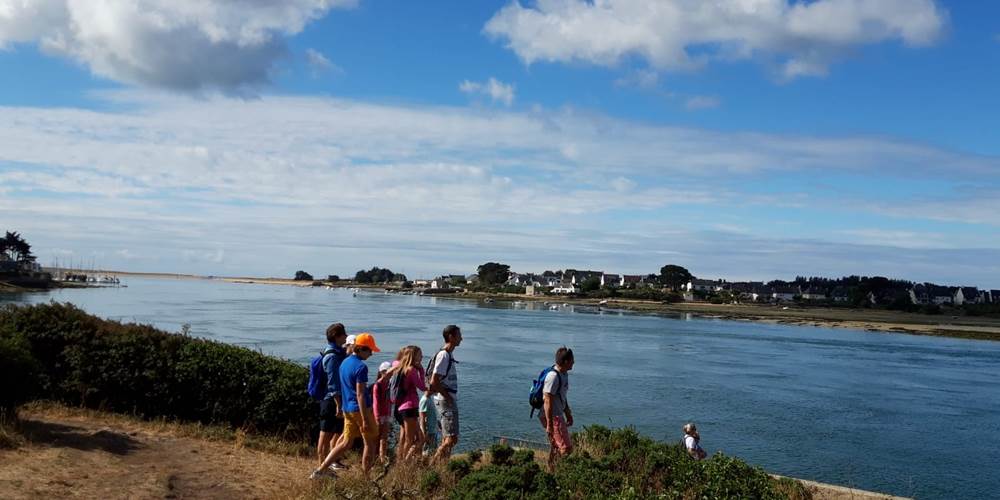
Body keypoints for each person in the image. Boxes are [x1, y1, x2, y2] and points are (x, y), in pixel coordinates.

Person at [312, 333, 382, 479]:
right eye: (370, 351)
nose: (371, 354)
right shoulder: (361, 367)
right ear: (361, 349)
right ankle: (366, 478)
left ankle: (321, 469)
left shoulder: (344, 362)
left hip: (347, 408)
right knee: (370, 442)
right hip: (360, 409)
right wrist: (365, 419)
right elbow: (361, 394)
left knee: (345, 442)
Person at [317, 323, 349, 471]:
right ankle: (321, 465)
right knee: (325, 434)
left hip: (334, 399)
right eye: (344, 334)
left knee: (332, 432)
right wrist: (338, 404)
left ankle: (328, 464)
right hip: (331, 400)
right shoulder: (332, 357)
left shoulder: (337, 353)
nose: (346, 336)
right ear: (337, 336)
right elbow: (333, 383)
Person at [429, 325, 462, 462]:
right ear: (451, 337)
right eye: (459, 335)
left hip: (444, 399)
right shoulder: (444, 355)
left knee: (446, 435)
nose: (462, 338)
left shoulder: (448, 354)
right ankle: (433, 463)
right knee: (452, 438)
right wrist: (448, 397)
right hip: (445, 400)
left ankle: (443, 464)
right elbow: (434, 381)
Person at [539, 346, 574, 469]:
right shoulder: (553, 377)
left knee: (556, 446)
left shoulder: (563, 374)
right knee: (566, 449)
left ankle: (551, 472)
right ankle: (560, 473)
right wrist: (549, 424)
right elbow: (547, 400)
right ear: (565, 362)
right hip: (553, 417)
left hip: (557, 415)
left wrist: (568, 413)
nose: (574, 362)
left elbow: (561, 396)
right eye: (572, 360)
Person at [391, 345, 427, 461]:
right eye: (420, 354)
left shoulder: (400, 367)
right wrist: (421, 370)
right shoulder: (411, 370)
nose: (421, 357)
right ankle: (403, 464)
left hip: (401, 407)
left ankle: (403, 460)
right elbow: (422, 387)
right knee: (411, 439)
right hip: (409, 407)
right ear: (414, 356)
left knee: (417, 438)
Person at [371, 361, 393, 464]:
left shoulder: (389, 384)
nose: (391, 374)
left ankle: (382, 458)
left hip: (387, 413)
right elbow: (375, 402)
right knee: (376, 437)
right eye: (389, 372)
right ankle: (374, 457)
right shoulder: (377, 385)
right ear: (382, 372)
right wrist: (377, 417)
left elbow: (391, 400)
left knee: (384, 437)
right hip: (379, 415)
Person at [418, 391, 437, 456]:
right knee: (427, 452)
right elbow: (422, 418)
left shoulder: (429, 398)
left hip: (432, 430)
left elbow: (431, 414)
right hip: (428, 432)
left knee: (432, 451)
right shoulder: (424, 400)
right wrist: (424, 433)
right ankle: (425, 465)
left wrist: (437, 423)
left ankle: (431, 465)